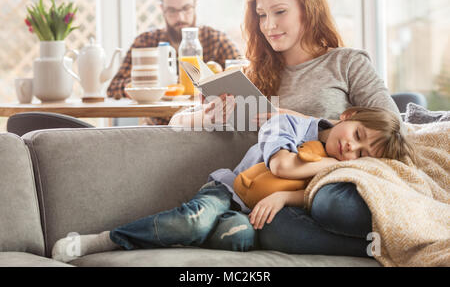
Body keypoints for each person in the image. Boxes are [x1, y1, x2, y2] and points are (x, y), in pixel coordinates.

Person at [168, 0, 403, 257]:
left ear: (309, 9)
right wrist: (207, 116)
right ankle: (376, 248)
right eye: (262, 15)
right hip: (277, 196)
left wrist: (301, 119)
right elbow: (176, 121)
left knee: (331, 203)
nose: (269, 25)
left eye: (279, 12)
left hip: (331, 188)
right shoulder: (252, 77)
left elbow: (397, 129)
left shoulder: (347, 63)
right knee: (274, 226)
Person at [51, 106, 416, 262]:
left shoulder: (341, 171)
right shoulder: (289, 125)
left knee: (239, 238)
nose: (351, 147)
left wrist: (287, 198)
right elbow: (283, 164)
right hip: (227, 193)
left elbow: (306, 198)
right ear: (348, 117)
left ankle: (195, 235)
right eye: (357, 134)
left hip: (247, 216)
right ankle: (103, 240)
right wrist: (327, 169)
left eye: (362, 153)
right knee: (194, 220)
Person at [107, 0, 242, 124]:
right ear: (162, 9)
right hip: (158, 129)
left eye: (186, 8)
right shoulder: (146, 42)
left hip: (206, 128)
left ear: (195, 4)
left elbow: (243, 75)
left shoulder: (216, 40)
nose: (180, 17)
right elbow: (114, 87)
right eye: (172, 10)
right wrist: (147, 87)